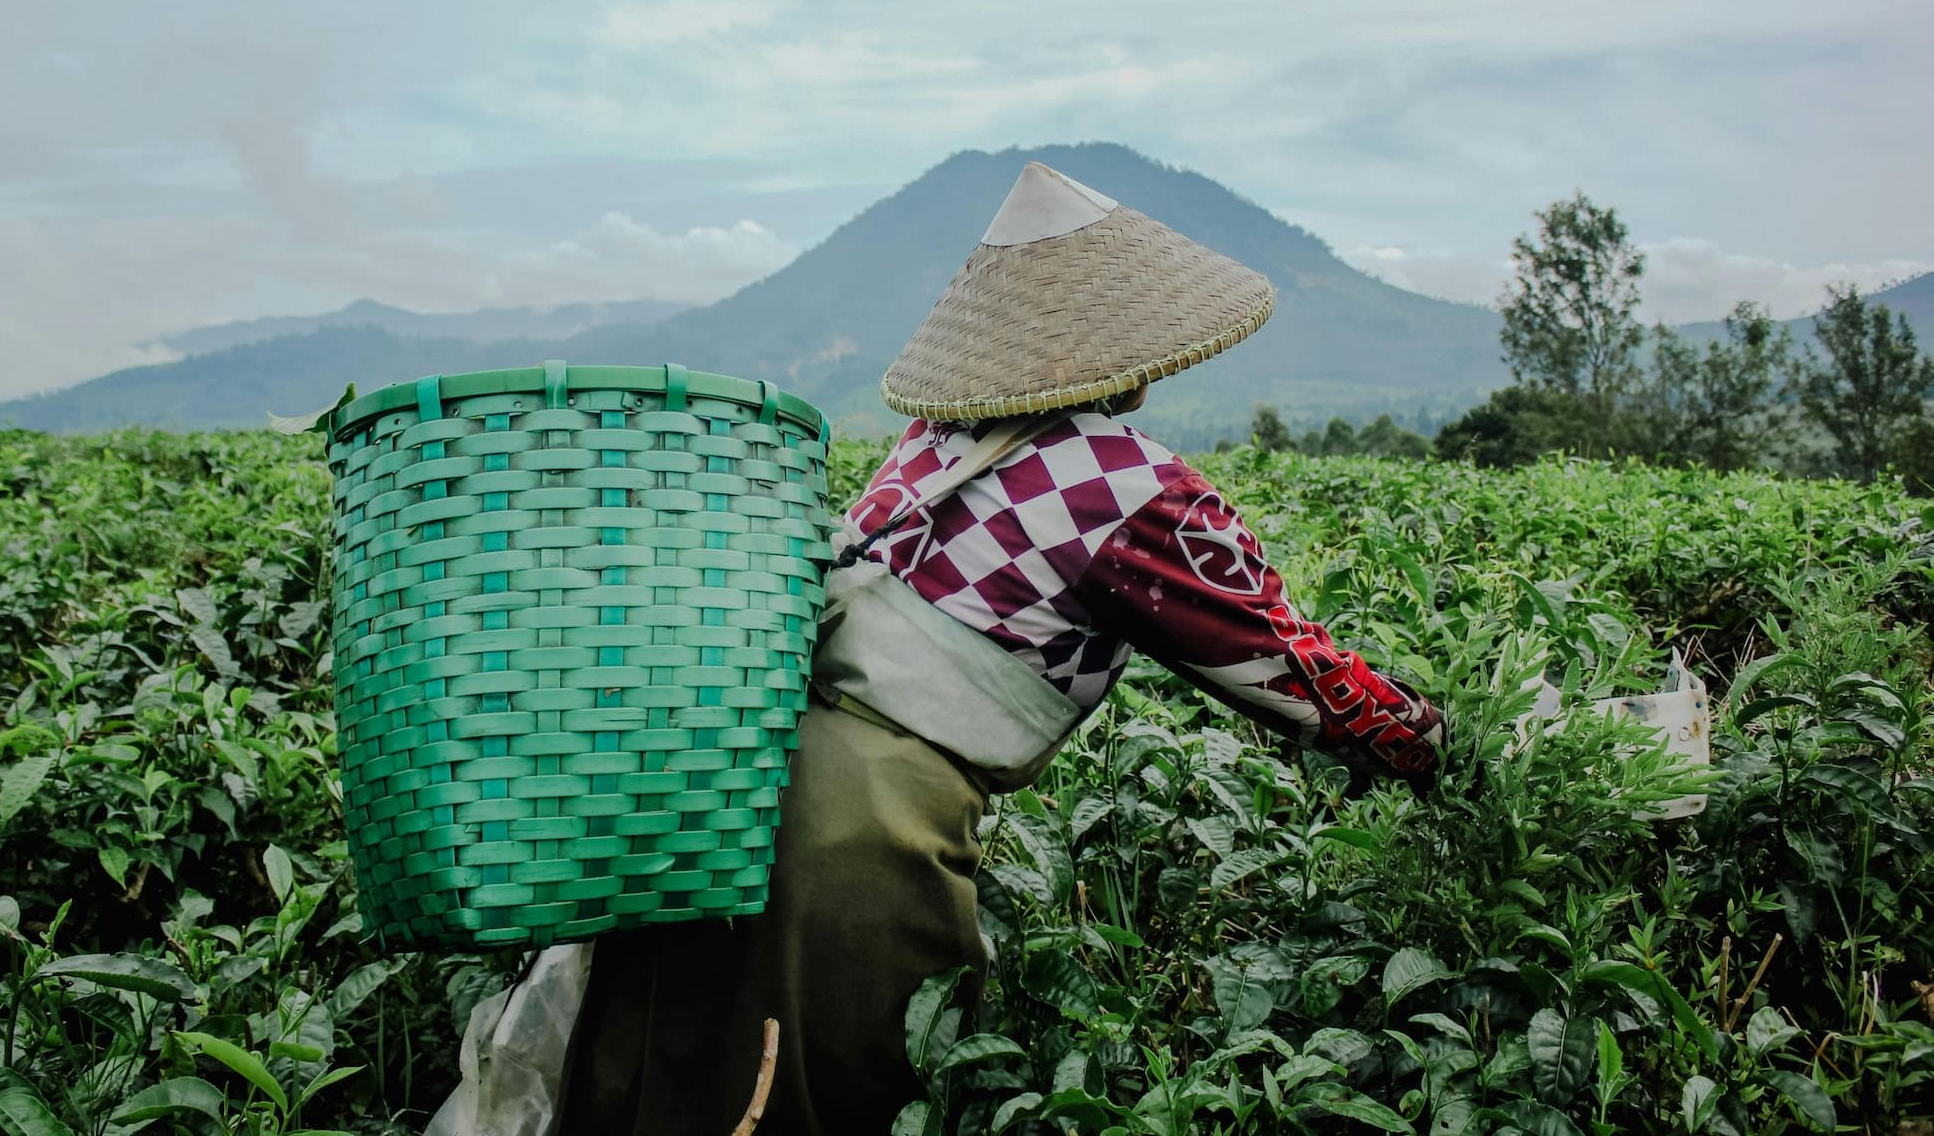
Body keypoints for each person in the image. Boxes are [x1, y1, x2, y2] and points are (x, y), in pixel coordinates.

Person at [552, 162, 1447, 1134]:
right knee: (840, 1098)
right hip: (860, 828)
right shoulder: (1135, 492)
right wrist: (1444, 744)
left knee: (678, 1077)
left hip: (732, 782)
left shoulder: (932, 441)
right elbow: (1295, 679)